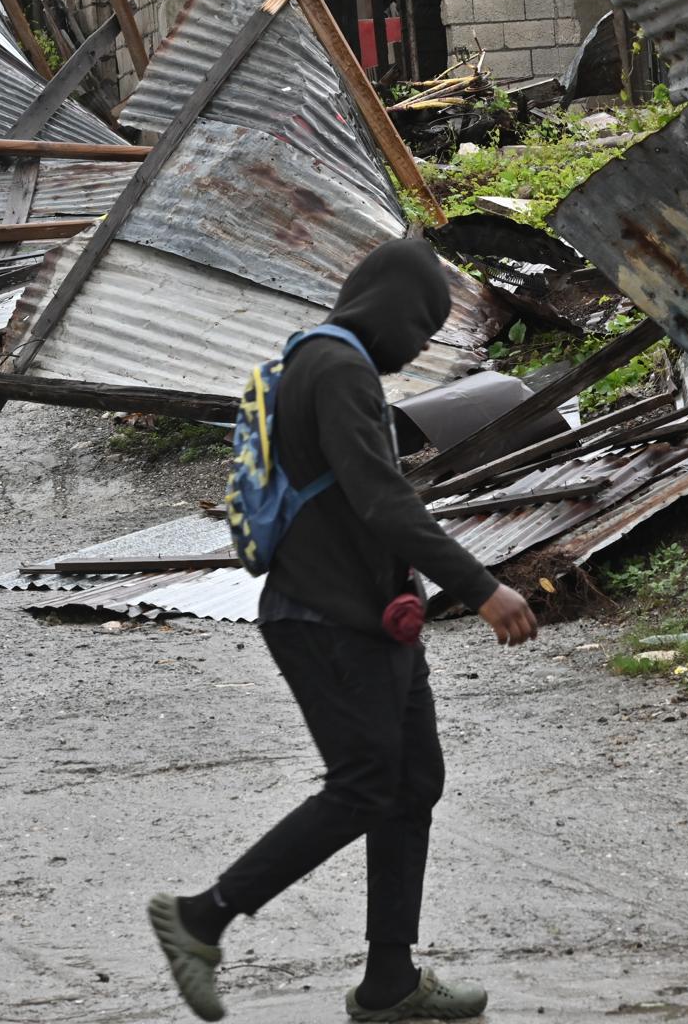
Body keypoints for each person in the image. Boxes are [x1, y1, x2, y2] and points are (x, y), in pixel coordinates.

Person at [148, 239, 539, 1022]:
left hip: (370, 618)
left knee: (411, 785)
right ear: (393, 309)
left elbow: (361, 504)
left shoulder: (316, 363)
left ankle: (389, 983)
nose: (423, 344)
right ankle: (201, 917)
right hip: (325, 622)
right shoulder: (339, 370)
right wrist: (481, 586)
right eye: (423, 326)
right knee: (365, 785)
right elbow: (381, 501)